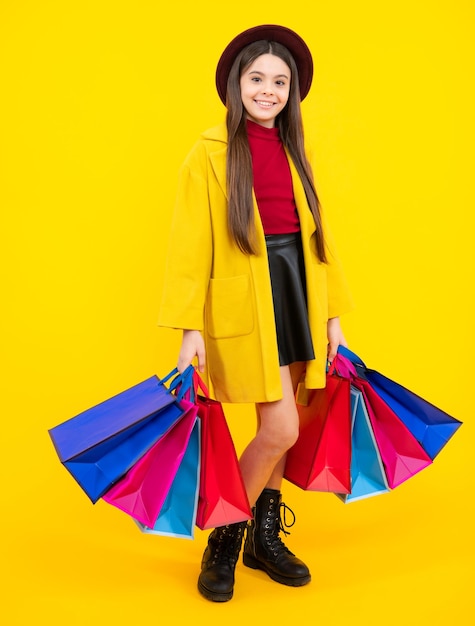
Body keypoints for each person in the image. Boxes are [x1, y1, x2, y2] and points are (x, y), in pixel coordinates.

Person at [158, 24, 353, 602]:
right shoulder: (209, 152)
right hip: (249, 292)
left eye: (279, 82)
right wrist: (190, 328)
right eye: (257, 79)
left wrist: (334, 315)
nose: (267, 90)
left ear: (291, 92)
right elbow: (189, 245)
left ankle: (261, 539)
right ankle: (225, 536)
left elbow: (322, 236)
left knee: (286, 423)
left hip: (299, 289)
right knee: (281, 426)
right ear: (235, 84)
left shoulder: (298, 148)